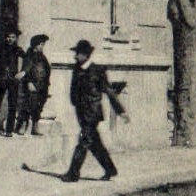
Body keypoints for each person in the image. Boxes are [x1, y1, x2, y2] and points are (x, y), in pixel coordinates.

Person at [61, 39, 128, 182]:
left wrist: (120, 111)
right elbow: (73, 92)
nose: (75, 56)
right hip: (81, 113)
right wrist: (75, 103)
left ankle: (73, 174)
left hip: (93, 114)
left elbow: (109, 92)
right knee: (94, 144)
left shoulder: (97, 71)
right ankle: (110, 169)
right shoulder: (77, 70)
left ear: (85, 55)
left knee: (84, 141)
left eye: (78, 54)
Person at [0, 23, 24, 137]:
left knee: (12, 104)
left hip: (13, 80)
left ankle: (9, 130)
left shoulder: (18, 50)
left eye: (12, 37)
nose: (10, 39)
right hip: (1, 79)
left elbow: (28, 61)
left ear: (16, 38)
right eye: (8, 37)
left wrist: (22, 72)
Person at [15, 34, 51, 135]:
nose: (42, 46)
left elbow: (46, 70)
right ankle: (23, 126)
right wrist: (29, 82)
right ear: (35, 45)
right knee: (28, 105)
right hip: (32, 85)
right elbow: (26, 69)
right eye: (40, 44)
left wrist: (46, 84)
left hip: (42, 86)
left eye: (43, 44)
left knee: (38, 107)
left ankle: (35, 126)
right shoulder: (29, 55)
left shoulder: (42, 57)